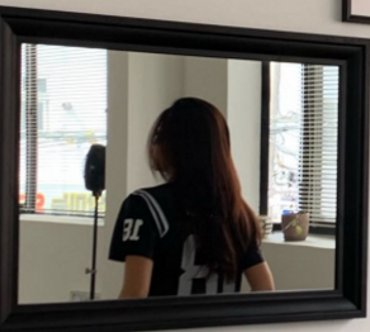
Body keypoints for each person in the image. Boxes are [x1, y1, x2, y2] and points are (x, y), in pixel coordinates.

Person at [109, 96, 275, 298]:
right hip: (221, 320)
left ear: (174, 146)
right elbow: (265, 288)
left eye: (159, 137)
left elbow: (135, 293)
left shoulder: (144, 205)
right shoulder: (237, 212)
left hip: (165, 319)